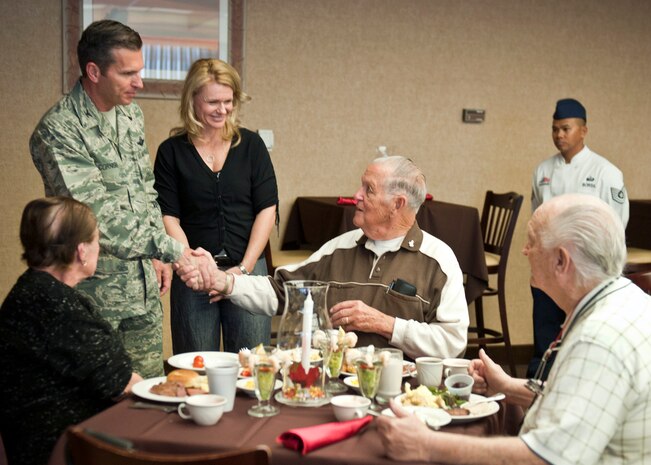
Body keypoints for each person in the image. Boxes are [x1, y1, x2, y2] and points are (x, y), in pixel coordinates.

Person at [377, 194, 651, 465]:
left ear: (561, 261)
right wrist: (509, 387)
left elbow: (543, 457)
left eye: (533, 241)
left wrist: (426, 445)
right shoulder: (625, 299)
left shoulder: (599, 338)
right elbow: (585, 402)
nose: (525, 251)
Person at [29, 20, 213, 378]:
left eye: (140, 71)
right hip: (92, 294)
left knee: (146, 397)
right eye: (128, 73)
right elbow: (96, 218)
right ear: (94, 71)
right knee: (95, 407)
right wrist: (173, 252)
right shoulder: (58, 129)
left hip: (143, 288)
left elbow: (145, 189)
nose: (139, 83)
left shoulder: (130, 115)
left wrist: (156, 259)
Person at [178, 155, 469, 360]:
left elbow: (452, 344)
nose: (356, 195)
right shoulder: (340, 248)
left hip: (405, 399)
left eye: (368, 189)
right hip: (335, 388)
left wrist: (385, 324)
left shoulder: (438, 261)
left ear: (397, 204)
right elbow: (281, 292)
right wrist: (223, 281)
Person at [0, 197, 142, 465]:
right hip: (65, 448)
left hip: (48, 437)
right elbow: (119, 382)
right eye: (96, 239)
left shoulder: (33, 290)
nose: (99, 247)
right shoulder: (55, 305)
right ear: (81, 251)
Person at [153, 58, 278, 353]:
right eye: (213, 102)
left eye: (228, 101)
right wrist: (194, 265)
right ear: (193, 100)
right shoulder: (171, 152)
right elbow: (169, 215)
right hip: (193, 275)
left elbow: (267, 209)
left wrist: (242, 271)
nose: (222, 109)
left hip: (247, 273)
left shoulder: (251, 146)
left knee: (250, 366)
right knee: (195, 368)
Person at [527, 98, 629, 379]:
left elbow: (616, 224)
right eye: (555, 129)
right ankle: (537, 384)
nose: (559, 135)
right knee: (545, 332)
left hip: (586, 268)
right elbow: (538, 216)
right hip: (551, 264)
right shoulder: (543, 171)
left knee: (583, 330)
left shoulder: (605, 173)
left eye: (566, 128)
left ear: (583, 131)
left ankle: (578, 381)